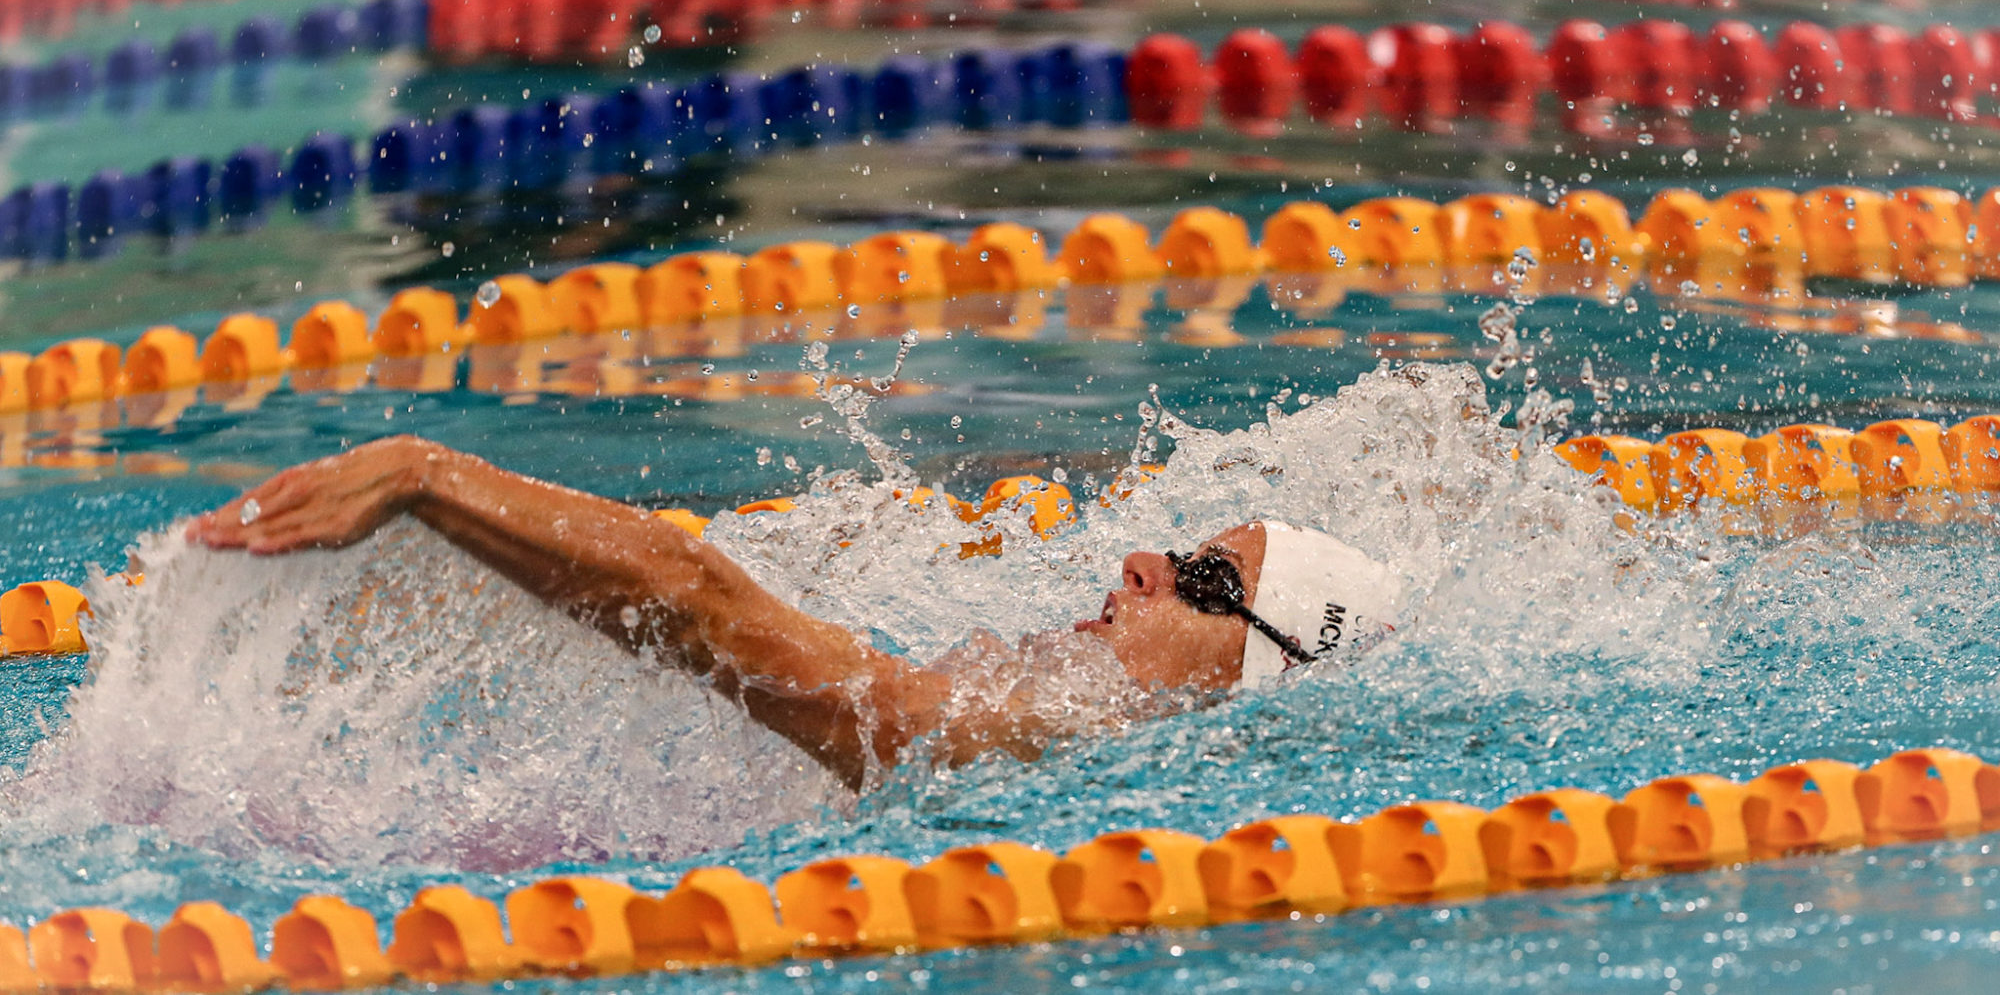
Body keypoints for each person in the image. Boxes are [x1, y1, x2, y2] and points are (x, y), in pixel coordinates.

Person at [187, 435, 1404, 790]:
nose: (1142, 560)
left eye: (1205, 582)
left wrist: (430, 477)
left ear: (1258, 666)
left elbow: (703, 606)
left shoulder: (1016, 735)